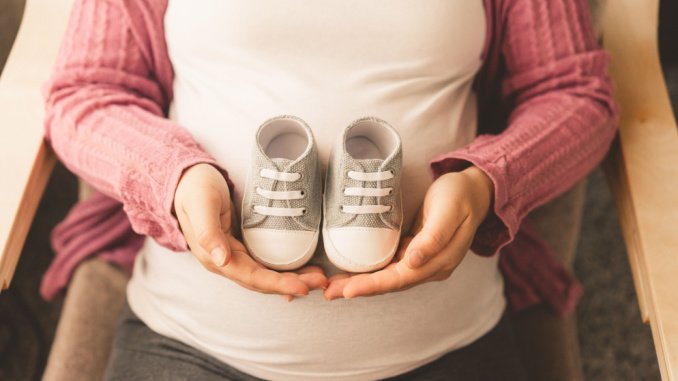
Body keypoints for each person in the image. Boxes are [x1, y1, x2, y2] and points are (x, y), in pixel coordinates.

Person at [42, 0, 618, 380]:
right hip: (189, 344)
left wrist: (487, 184)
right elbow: (88, 93)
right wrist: (175, 177)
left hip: (443, 347)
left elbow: (576, 94)